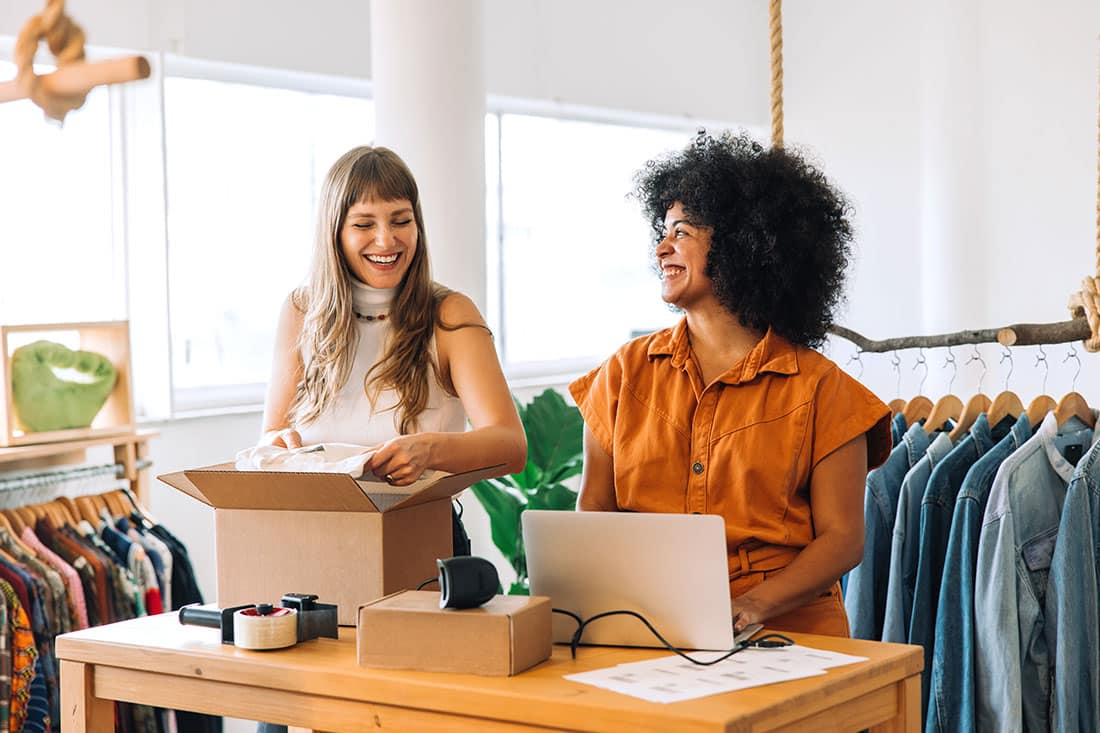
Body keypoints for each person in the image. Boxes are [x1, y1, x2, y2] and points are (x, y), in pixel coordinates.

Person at [569, 131, 890, 637]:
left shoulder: (824, 391)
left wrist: (751, 606)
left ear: (742, 242)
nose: (661, 248)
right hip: (652, 626)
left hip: (790, 633)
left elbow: (843, 539)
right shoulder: (622, 374)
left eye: (682, 232)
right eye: (662, 230)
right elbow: (594, 512)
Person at [260, 145, 527, 554]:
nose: (387, 240)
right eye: (364, 224)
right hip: (316, 542)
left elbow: (511, 446)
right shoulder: (301, 311)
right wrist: (280, 449)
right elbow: (272, 438)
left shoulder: (449, 314)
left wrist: (429, 450)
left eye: (401, 220)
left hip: (421, 540)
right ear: (335, 232)